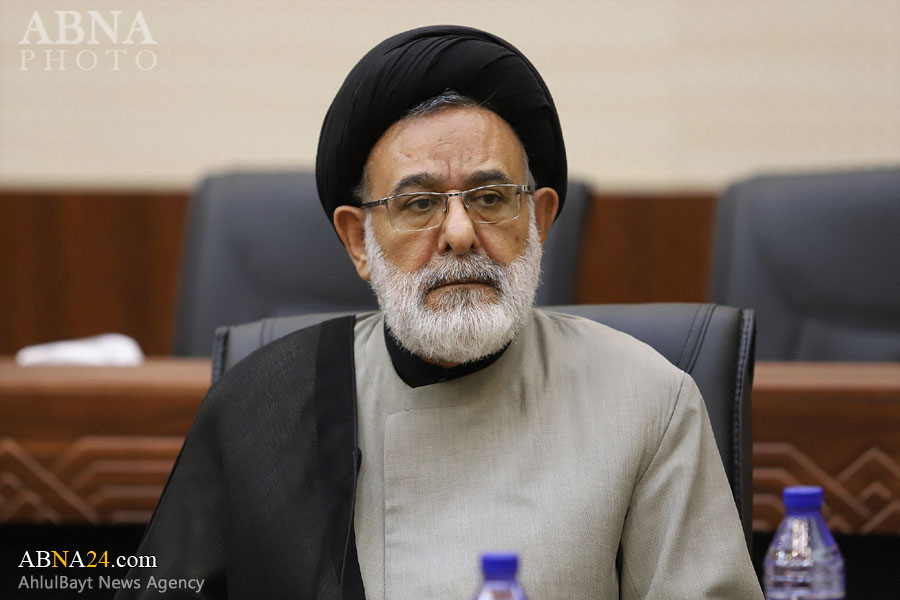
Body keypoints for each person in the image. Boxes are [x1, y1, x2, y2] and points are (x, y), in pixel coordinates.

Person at [119, 26, 762, 599]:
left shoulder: (648, 403)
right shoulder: (264, 405)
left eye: (490, 198)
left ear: (538, 219)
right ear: (358, 241)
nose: (458, 233)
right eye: (419, 204)